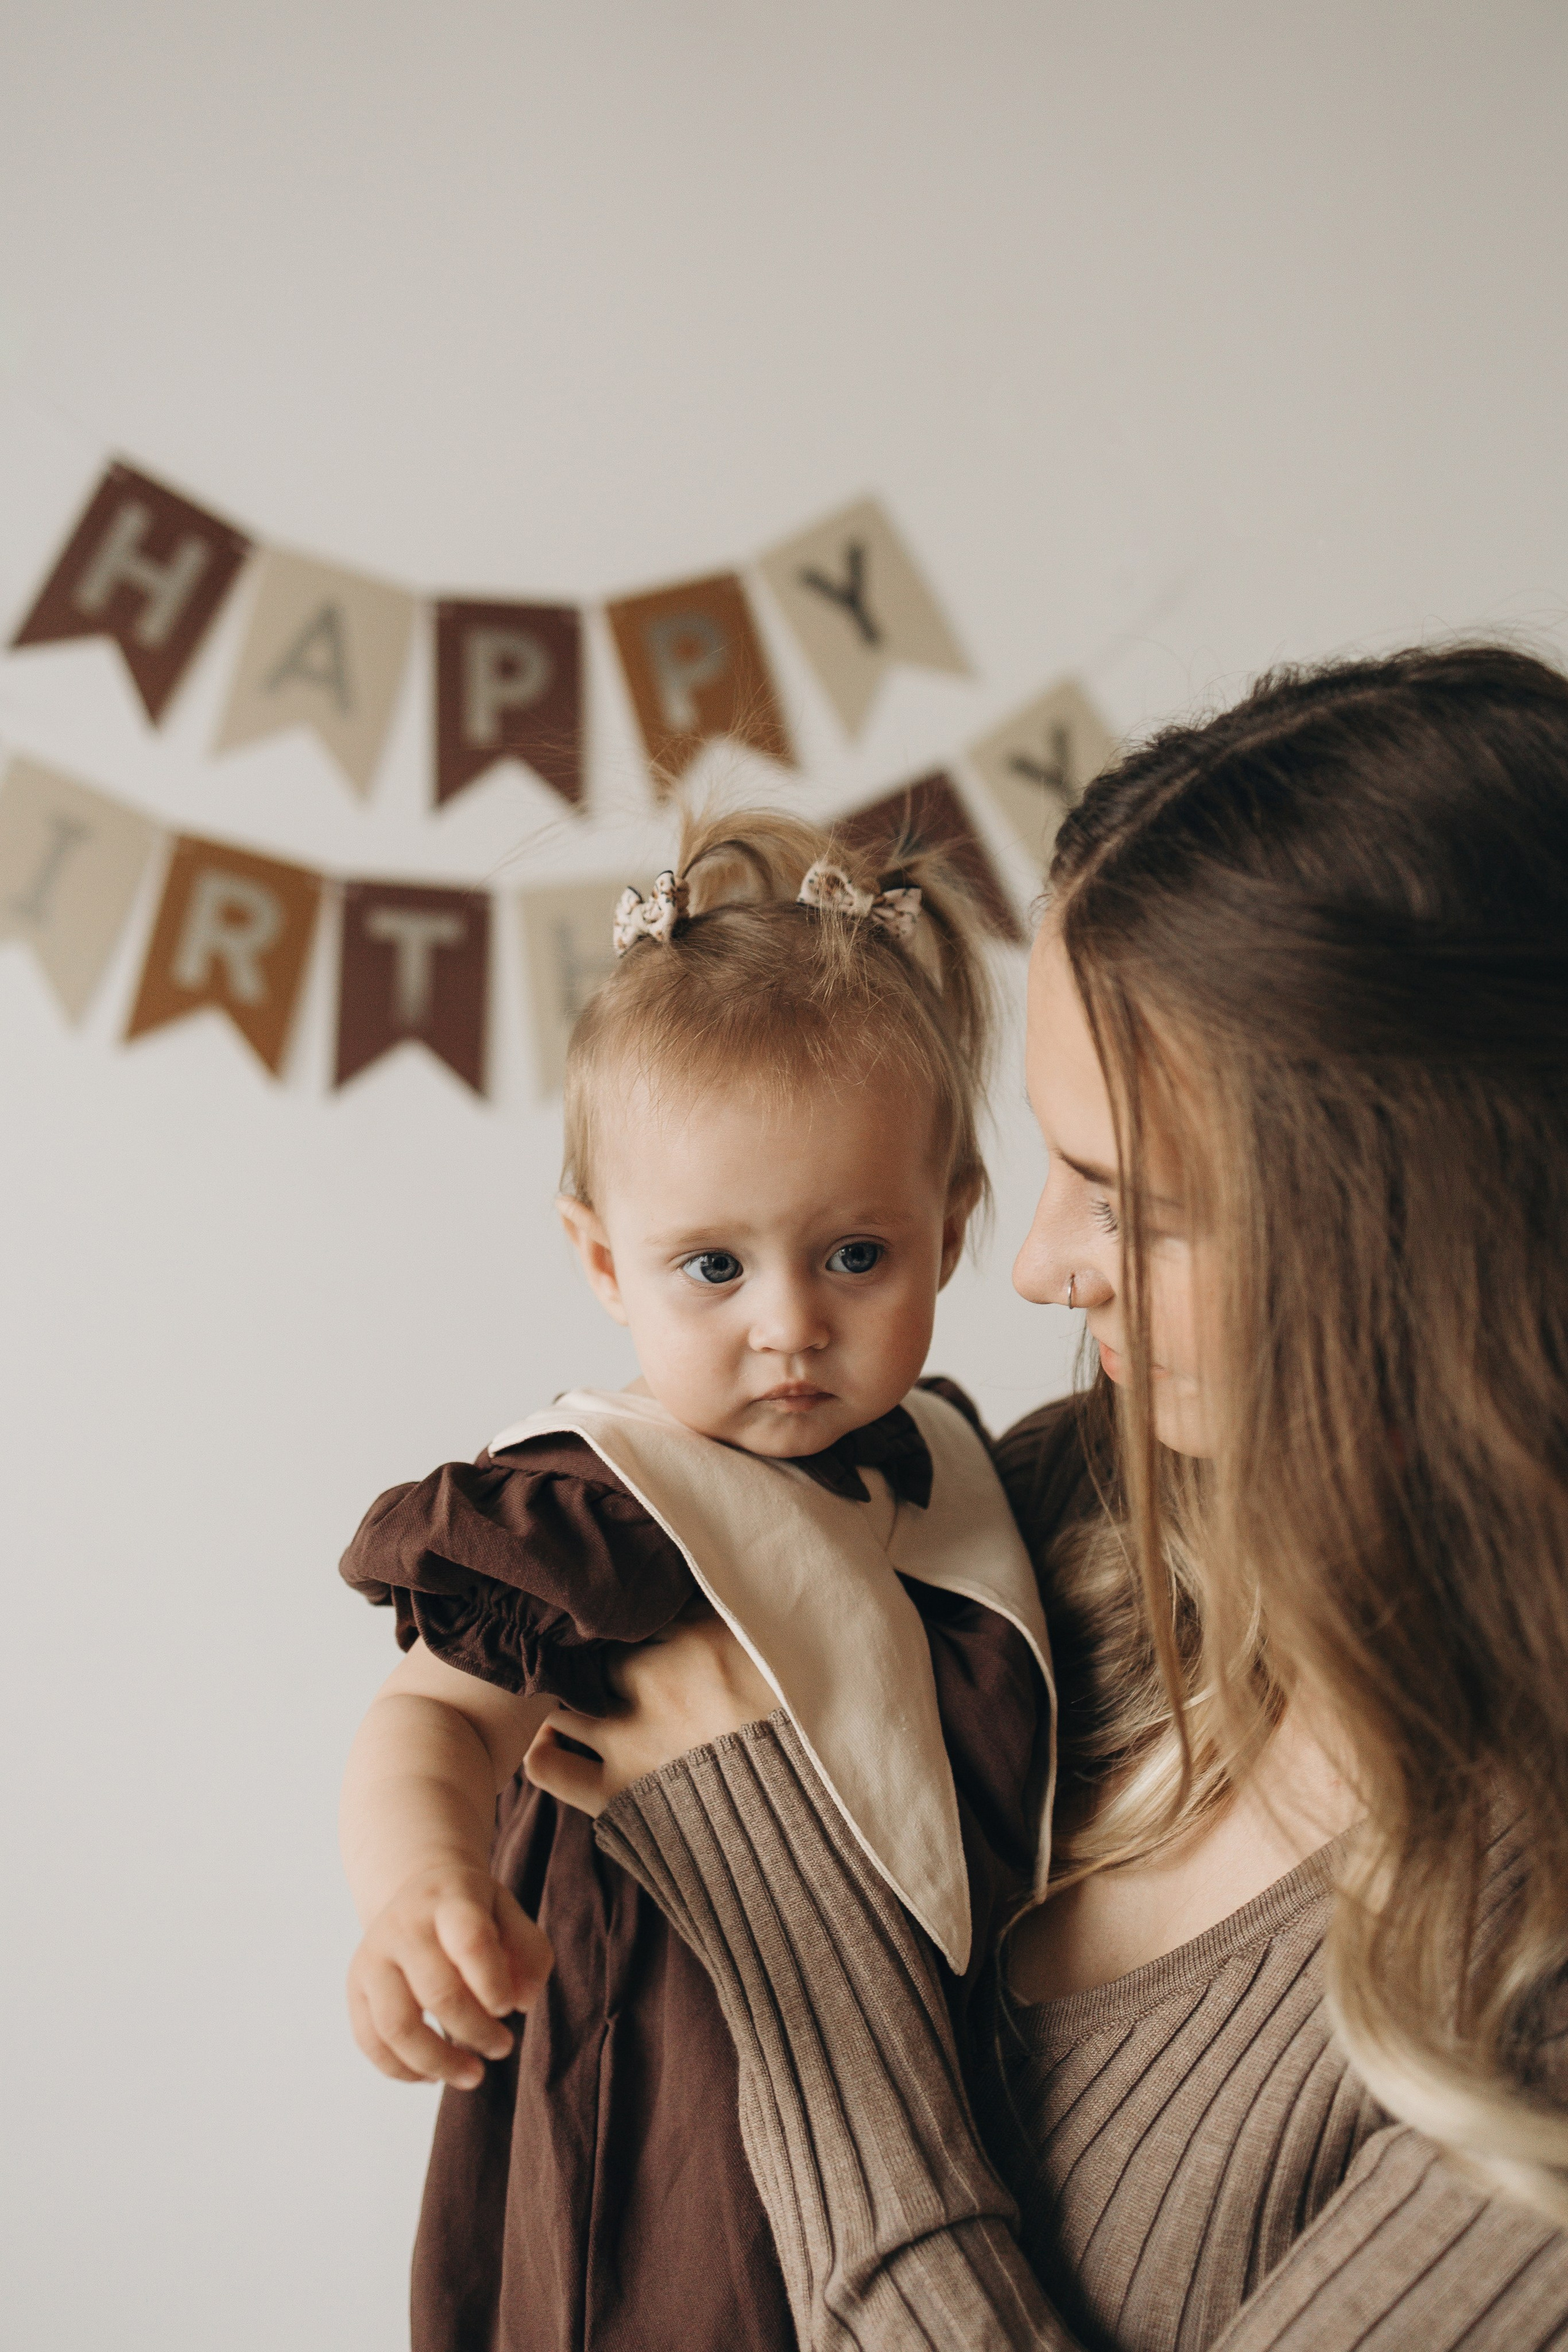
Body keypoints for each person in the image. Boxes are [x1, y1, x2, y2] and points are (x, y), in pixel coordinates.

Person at [528, 646, 1568, 2349]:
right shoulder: (1057, 1513)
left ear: (1423, 1242)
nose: (1029, 1268)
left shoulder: (1524, 2010)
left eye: (1125, 1200)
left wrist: (788, 1921)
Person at [336, 809, 1054, 2352]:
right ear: (605, 1263)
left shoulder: (954, 1477)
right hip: (666, 2104)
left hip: (925, 2128)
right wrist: (420, 1888)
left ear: (949, 1230)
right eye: (713, 1267)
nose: (788, 1324)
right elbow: (436, 1720)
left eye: (854, 1256)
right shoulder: (600, 1507)